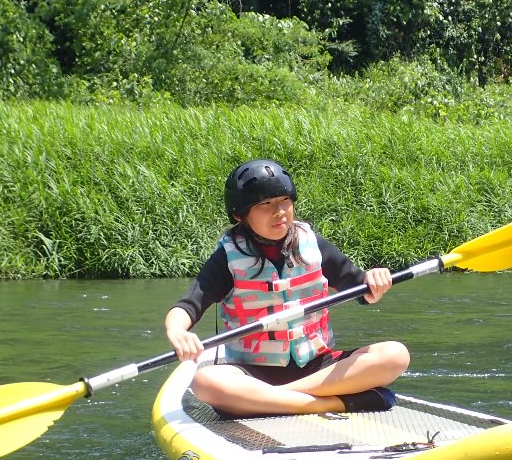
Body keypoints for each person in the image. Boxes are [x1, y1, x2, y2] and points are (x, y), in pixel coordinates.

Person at [164, 159, 410, 417]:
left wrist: (375, 280)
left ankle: (277, 400)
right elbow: (188, 305)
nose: (279, 211)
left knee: (395, 355)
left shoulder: (312, 245)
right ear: (239, 214)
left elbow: (363, 289)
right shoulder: (227, 257)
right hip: (254, 374)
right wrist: (176, 329)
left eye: (284, 200)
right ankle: (327, 403)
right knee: (205, 382)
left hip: (317, 367)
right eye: (265, 204)